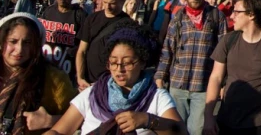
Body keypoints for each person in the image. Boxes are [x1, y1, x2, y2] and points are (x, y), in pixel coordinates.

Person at [44, 26, 185, 135]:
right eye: (113, 62)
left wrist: (147, 120)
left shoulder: (156, 97)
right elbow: (60, 131)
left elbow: (181, 131)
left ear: (142, 63)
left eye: (128, 63)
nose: (119, 69)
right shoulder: (93, 94)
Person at [205, 0, 261, 135]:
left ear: (251, 15)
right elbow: (216, 78)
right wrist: (208, 116)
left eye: (236, 12)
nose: (232, 16)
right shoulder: (228, 40)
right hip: (226, 119)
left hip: (257, 123)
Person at [155, 0, 228, 135]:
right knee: (175, 130)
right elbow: (168, 49)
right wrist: (160, 77)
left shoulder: (217, 17)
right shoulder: (178, 18)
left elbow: (224, 54)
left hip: (204, 85)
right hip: (177, 83)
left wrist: (223, 82)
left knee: (197, 130)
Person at [0, 13, 76, 135]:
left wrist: (51, 121)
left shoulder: (54, 79)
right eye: (13, 41)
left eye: (27, 42)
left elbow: (82, 118)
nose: (19, 49)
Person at [75, 0, 135, 90]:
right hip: (88, 82)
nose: (107, 6)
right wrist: (80, 77)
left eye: (112, 3)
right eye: (105, 2)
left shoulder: (128, 24)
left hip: (111, 84)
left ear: (122, 2)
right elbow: (82, 51)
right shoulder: (92, 18)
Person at [40, 0, 88, 83]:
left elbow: (85, 40)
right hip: (49, 60)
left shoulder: (79, 14)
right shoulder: (49, 11)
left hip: (68, 64)